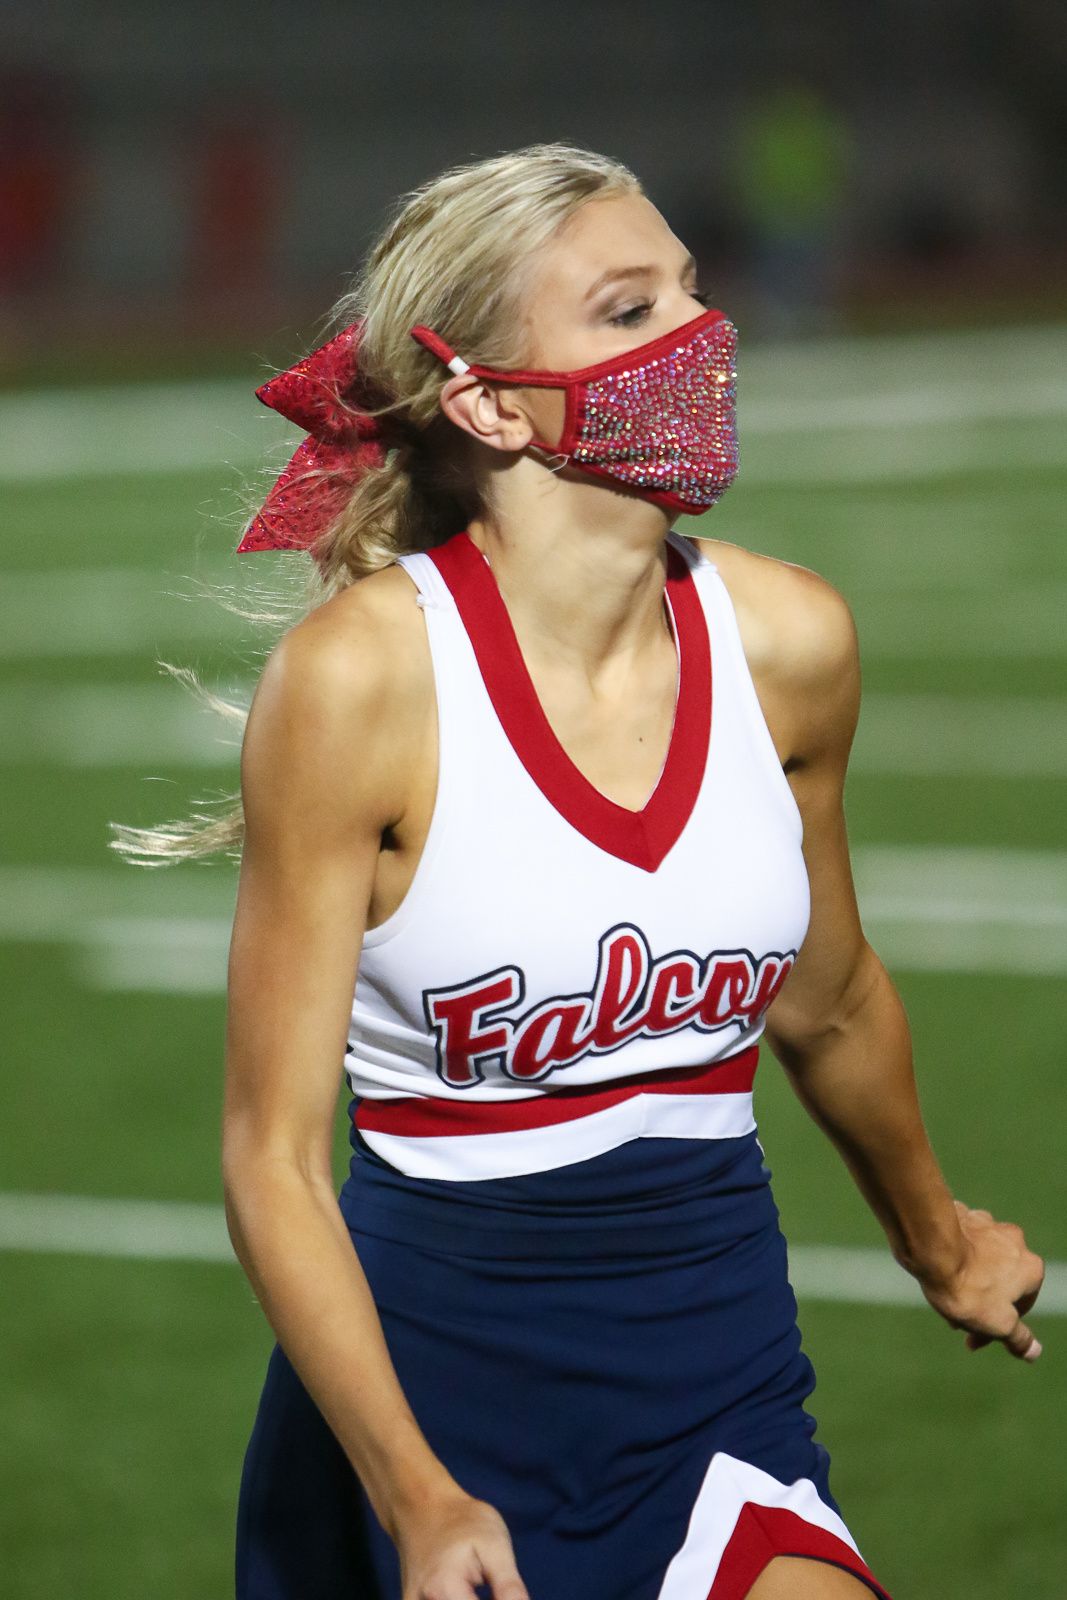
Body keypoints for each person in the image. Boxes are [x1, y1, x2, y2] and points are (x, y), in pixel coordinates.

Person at [168, 144, 1043, 1599]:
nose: (704, 336)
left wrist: (938, 1238)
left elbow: (828, 1005)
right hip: (427, 1408)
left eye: (693, 292)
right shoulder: (361, 684)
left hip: (721, 1378)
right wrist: (419, 1497)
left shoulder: (791, 644)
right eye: (632, 312)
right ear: (489, 402)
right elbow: (273, 1159)